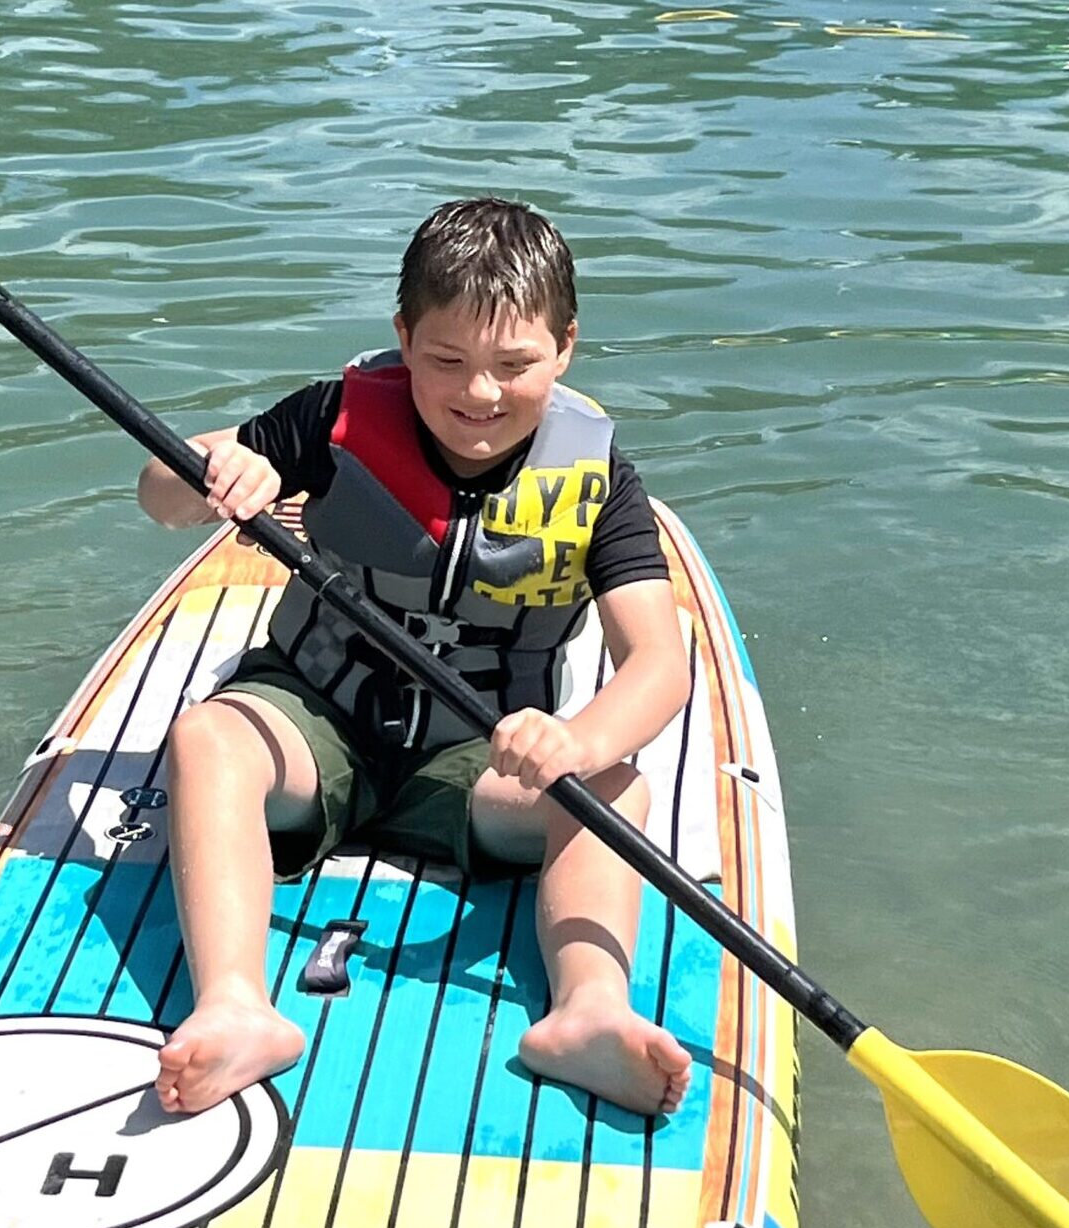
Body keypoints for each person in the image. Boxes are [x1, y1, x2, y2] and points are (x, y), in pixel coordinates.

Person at [136, 197, 693, 1117]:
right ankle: (235, 1006)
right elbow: (158, 497)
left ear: (565, 348)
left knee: (616, 788)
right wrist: (208, 470)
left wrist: (579, 745)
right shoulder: (333, 417)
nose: (479, 393)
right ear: (402, 336)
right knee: (208, 737)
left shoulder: (602, 479)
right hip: (316, 721)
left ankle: (589, 1010)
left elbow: (658, 665)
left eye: (515, 365)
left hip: (478, 759)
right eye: (446, 361)